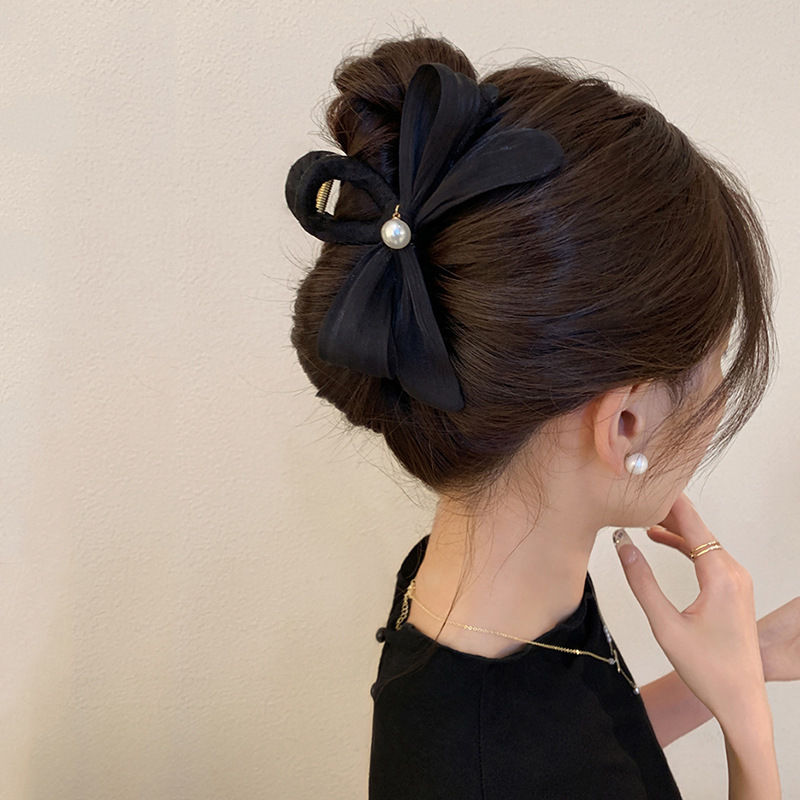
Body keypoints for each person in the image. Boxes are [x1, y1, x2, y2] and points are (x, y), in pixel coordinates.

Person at [284, 29, 799, 799]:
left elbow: (568, 744)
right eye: (716, 361)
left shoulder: (469, 587)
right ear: (625, 423)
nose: (720, 395)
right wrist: (749, 729)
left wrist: (748, 659)